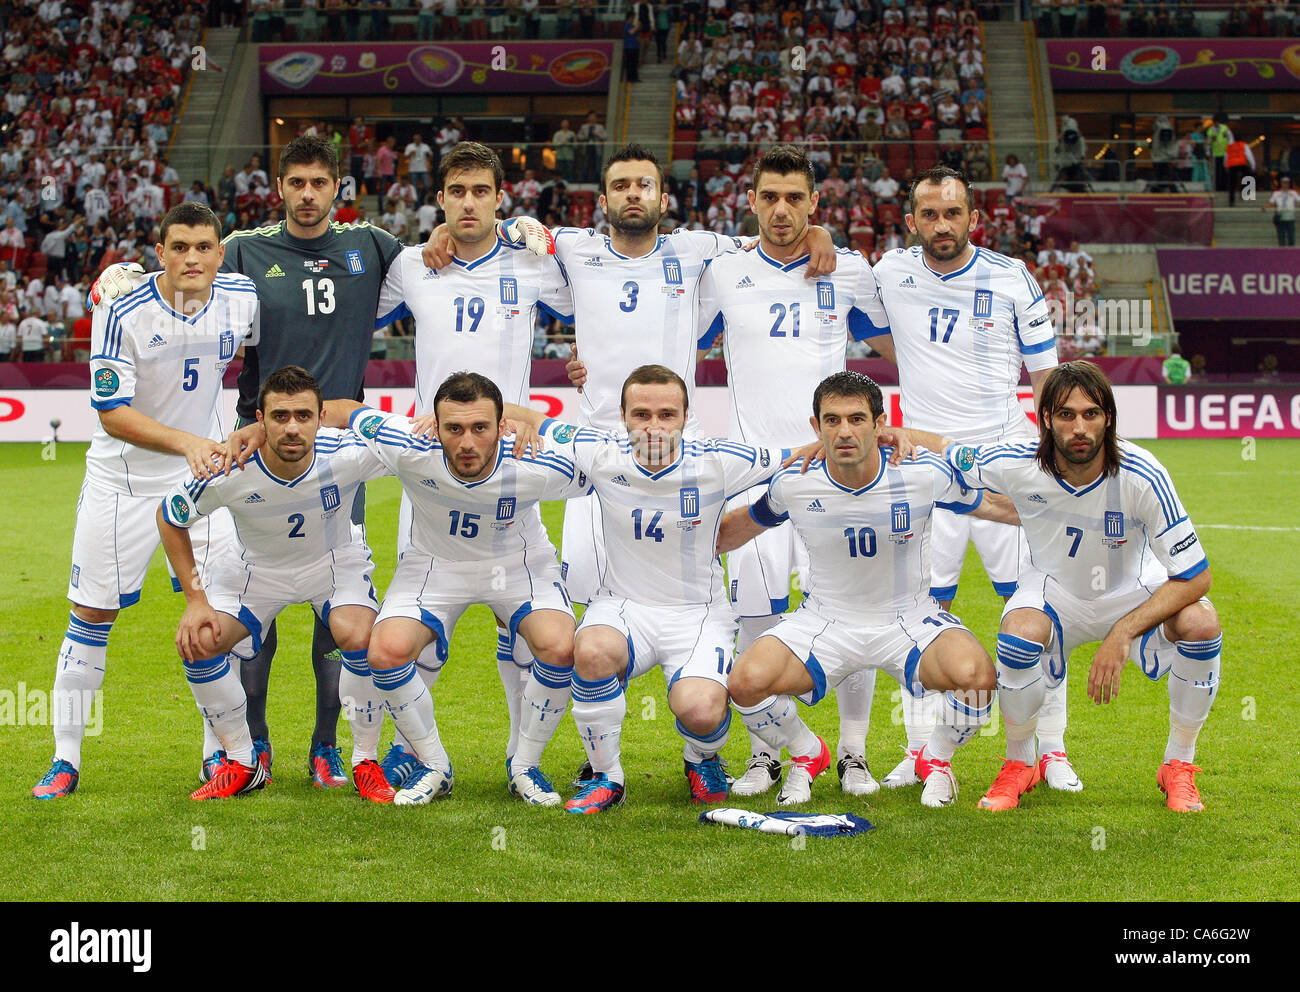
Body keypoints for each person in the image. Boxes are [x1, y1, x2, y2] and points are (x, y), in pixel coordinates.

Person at [92, 136, 407, 789]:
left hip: (336, 450)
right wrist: (121, 272)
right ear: (280, 186)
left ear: (338, 188)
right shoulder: (244, 248)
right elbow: (181, 267)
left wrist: (519, 232)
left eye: (321, 182)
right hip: (255, 442)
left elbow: (442, 269)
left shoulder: (372, 246)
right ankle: (254, 748)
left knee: (335, 606)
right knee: (251, 604)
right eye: (297, 181)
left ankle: (327, 747)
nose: (309, 193)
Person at [31, 203, 257, 799]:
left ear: (218, 252)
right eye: (178, 246)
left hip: (203, 485)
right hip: (122, 485)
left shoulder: (242, 298)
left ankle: (220, 757)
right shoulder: (122, 308)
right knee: (91, 617)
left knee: (217, 620)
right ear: (159, 253)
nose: (192, 258)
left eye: (203, 247)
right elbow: (111, 413)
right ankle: (65, 759)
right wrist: (187, 442)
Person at [926, 362, 1222, 812]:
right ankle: (1021, 762)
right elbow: (945, 450)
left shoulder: (1143, 473)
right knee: (1019, 635)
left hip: (1132, 592)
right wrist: (893, 436)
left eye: (1091, 413)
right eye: (1065, 415)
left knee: (1201, 622)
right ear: (1046, 419)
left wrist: (1122, 632)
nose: (1079, 427)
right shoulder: (1016, 462)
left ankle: (1178, 766)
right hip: (1056, 592)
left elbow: (1196, 575)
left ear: (1109, 418)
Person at [718, 371, 1019, 807]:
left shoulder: (922, 475)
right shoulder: (795, 483)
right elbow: (737, 529)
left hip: (909, 617)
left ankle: (934, 760)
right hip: (825, 620)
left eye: (857, 419)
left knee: (976, 678)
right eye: (832, 420)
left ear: (880, 425)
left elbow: (994, 505)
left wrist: (1066, 514)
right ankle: (809, 753)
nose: (844, 431)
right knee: (746, 681)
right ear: (815, 427)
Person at [866, 166, 1075, 792]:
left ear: (973, 219)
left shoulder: (1012, 278)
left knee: (1035, 607)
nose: (941, 224)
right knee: (919, 611)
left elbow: (1046, 379)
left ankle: (1049, 749)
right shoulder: (887, 273)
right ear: (911, 222)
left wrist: (1056, 455)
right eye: (928, 214)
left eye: (952, 212)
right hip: (926, 465)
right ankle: (921, 750)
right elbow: (854, 318)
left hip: (1006, 460)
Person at [695, 144, 892, 798]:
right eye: (769, 197)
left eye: (795, 199)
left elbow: (902, 341)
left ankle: (855, 753)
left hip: (836, 475)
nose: (781, 210)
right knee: (757, 616)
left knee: (853, 615)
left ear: (814, 204)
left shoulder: (851, 270)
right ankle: (766, 754)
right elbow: (672, 334)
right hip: (755, 476)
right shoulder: (723, 272)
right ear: (750, 202)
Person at [374, 141, 573, 786]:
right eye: (456, 191)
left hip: (510, 461)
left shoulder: (532, 263)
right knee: (414, 623)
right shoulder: (411, 265)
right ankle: (407, 750)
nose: (467, 202)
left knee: (524, 625)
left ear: (498, 198)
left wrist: (583, 364)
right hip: (432, 466)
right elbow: (349, 307)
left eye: (480, 191)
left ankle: (524, 758)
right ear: (440, 198)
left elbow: (600, 286)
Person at [320, 373, 591, 805]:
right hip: (435, 565)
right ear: (436, 426)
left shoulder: (537, 461)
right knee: (384, 652)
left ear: (503, 427)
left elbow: (607, 459)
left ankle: (524, 765)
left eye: (480, 427)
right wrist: (257, 429)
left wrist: (531, 421)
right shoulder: (407, 443)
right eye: (454, 428)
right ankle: (434, 765)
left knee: (560, 647)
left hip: (518, 564)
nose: (467, 442)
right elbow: (342, 411)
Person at [534, 365, 788, 812]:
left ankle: (701, 758)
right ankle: (607, 776)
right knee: (590, 652)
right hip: (622, 606)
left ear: (687, 417)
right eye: (642, 414)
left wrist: (887, 442)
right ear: (623, 416)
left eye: (667, 414)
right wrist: (503, 423)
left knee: (702, 710)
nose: (654, 426)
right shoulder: (600, 451)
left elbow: (801, 457)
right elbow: (533, 420)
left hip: (696, 615)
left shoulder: (717, 461)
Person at [157, 366, 393, 802]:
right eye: (280, 416)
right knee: (200, 639)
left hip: (333, 564)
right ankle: (244, 762)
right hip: (257, 570)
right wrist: (195, 598)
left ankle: (365, 761)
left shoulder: (349, 453)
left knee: (358, 637)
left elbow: (419, 448)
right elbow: (170, 518)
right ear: (259, 421)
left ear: (322, 417)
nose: (291, 427)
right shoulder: (229, 467)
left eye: (303, 416)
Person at [1266, 175, 1299, 245]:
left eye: (1287, 183)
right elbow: (1271, 202)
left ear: (1289, 184)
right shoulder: (1276, 193)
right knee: (1281, 237)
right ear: (1281, 183)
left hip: (1290, 217)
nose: (1285, 184)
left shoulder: (1293, 193)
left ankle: (1291, 252)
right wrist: (1265, 207)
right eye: (1284, 183)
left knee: (1291, 237)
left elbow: (1299, 200)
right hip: (1280, 217)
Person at [1224, 137, 1255, 207]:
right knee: (1248, 176)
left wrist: (1225, 166)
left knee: (1232, 183)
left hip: (1231, 165)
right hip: (1241, 164)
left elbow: (1226, 157)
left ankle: (1231, 201)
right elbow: (1249, 155)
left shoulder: (1229, 146)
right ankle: (1243, 191)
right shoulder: (1244, 145)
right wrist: (1253, 166)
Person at [1206, 115, 1233, 194]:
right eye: (1214, 123)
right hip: (1215, 154)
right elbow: (1208, 142)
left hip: (1225, 153)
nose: (1216, 124)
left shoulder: (1225, 128)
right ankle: (1218, 188)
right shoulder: (1210, 131)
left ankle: (1224, 187)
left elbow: (1230, 138)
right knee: (1217, 171)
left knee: (1224, 171)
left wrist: (1230, 149)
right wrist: (1208, 152)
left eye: (1217, 122)